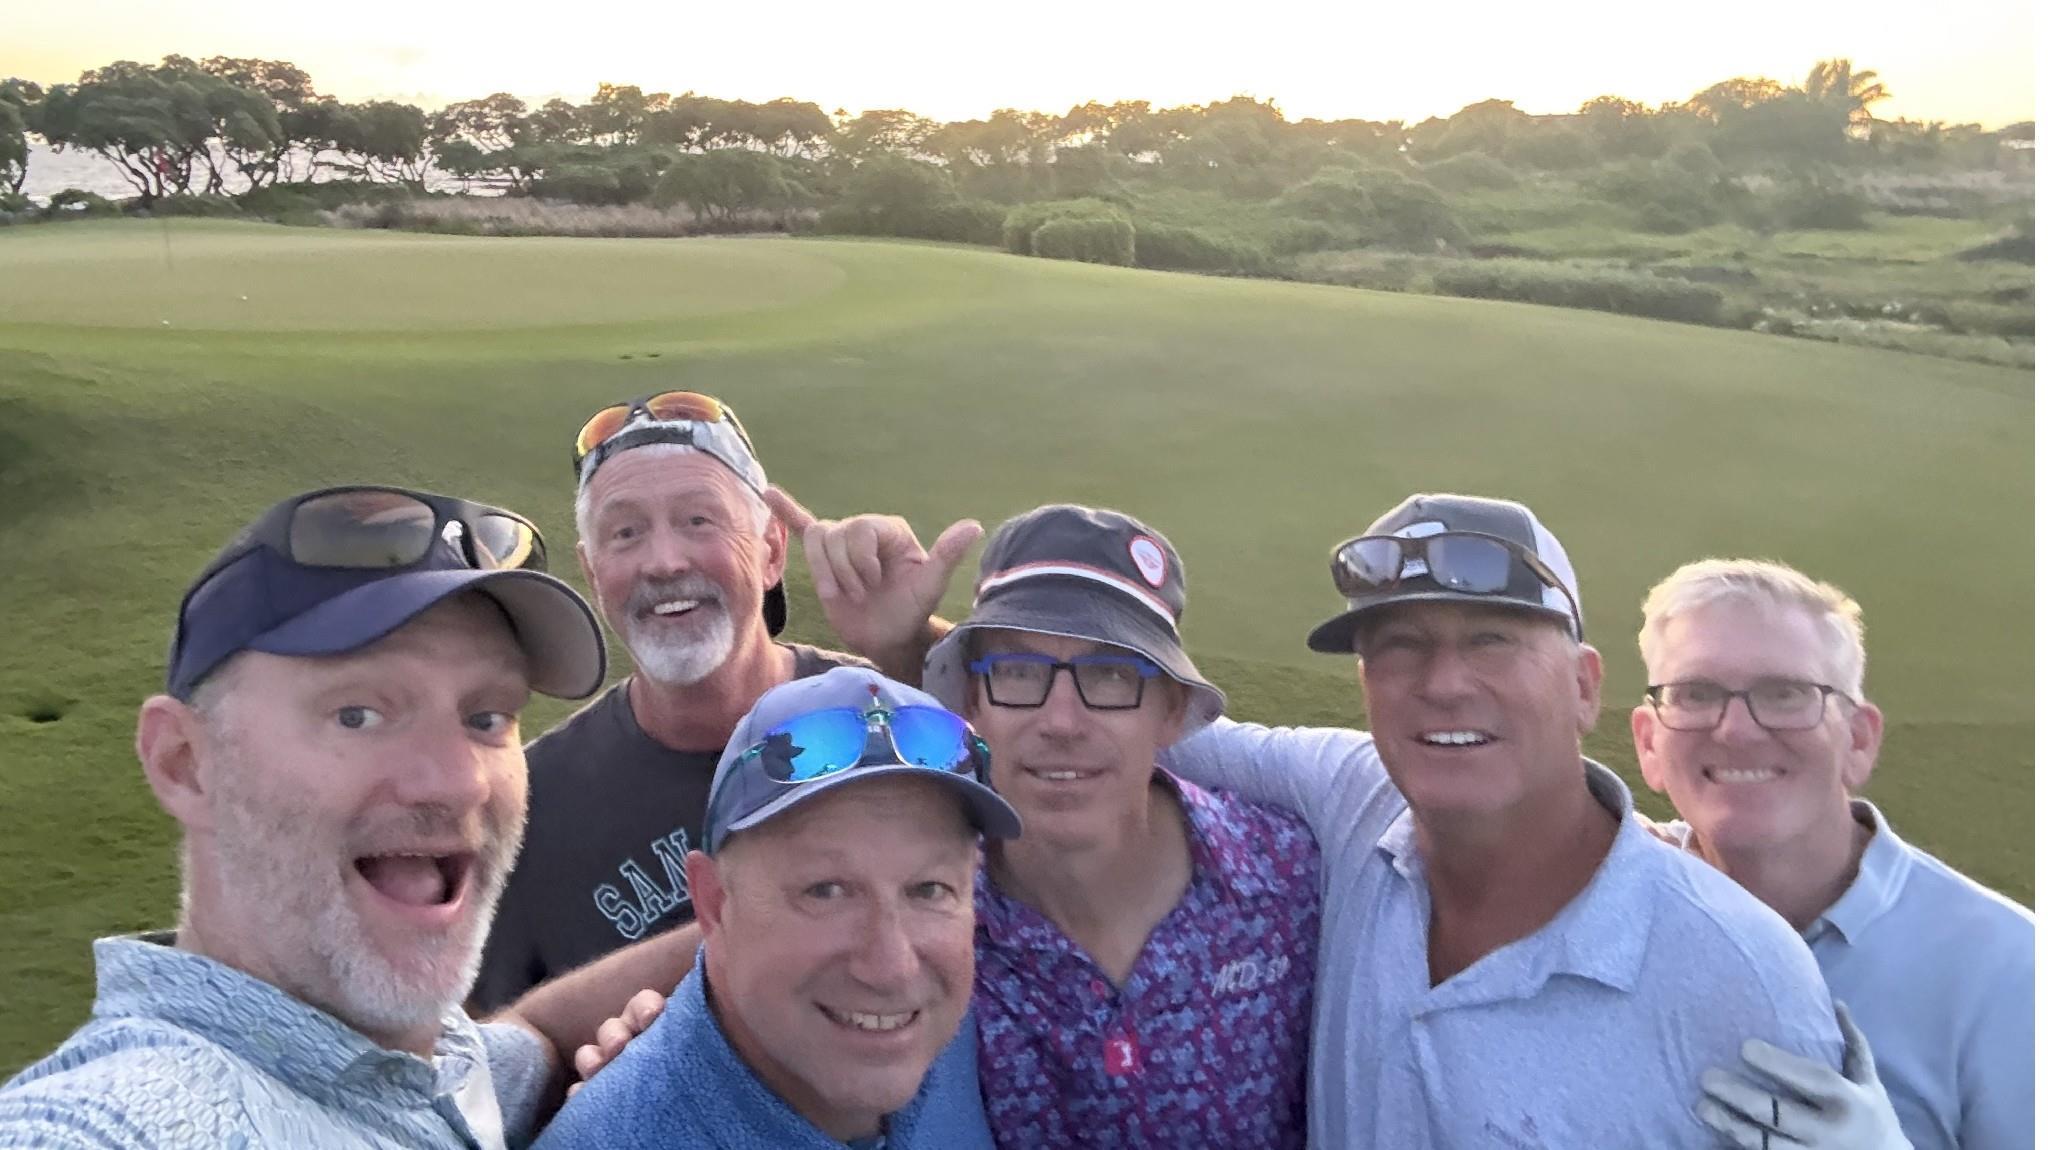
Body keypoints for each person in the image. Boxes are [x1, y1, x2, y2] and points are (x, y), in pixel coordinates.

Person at [768, 491, 1845, 1146]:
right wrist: (909, 644)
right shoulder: (1348, 805)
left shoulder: (1739, 970)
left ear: (1584, 685)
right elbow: (1076, 724)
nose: (1443, 685)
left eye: (1490, 641)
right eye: (1399, 647)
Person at [518, 505, 1322, 1148]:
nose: (1061, 720)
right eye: (1018, 672)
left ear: (1174, 711)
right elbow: (742, 935)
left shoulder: (1297, 878)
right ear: (973, 700)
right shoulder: (945, 913)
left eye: (1112, 676)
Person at [0, 485, 608, 1149]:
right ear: (186, 764)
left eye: (486, 718)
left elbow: (536, 1041)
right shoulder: (120, 1123)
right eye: (357, 715)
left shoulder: (410, 1066)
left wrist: (707, 933)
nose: (460, 783)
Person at [473, 392, 977, 1009]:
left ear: (771, 551)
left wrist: (912, 646)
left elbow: (1055, 810)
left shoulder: (886, 717)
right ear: (593, 571)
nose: (663, 562)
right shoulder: (530, 802)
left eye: (698, 521)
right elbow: (484, 1044)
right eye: (625, 533)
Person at [1630, 558, 2034, 1150]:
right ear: (1648, 745)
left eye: (1785, 694)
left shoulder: (2013, 971)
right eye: (1696, 694)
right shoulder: (1605, 908)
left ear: (1859, 741)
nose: (1736, 730)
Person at [533, 667, 1017, 1149]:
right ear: (715, 903)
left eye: (929, 890)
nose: (892, 969)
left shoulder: (968, 1024)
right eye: (826, 891)